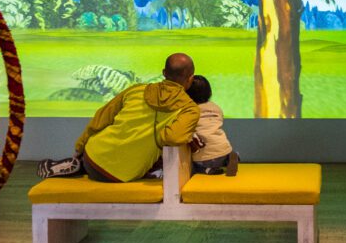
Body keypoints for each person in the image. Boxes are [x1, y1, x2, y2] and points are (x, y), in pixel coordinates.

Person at [37, 52, 200, 182]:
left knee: (95, 153)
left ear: (164, 73)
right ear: (190, 79)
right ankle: (79, 166)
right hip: (124, 174)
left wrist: (80, 148)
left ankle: (78, 164)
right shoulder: (189, 109)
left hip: (92, 156)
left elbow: (101, 118)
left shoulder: (136, 90)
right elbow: (172, 137)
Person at [185, 74, 239, 176]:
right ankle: (229, 159)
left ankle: (208, 169)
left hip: (205, 157)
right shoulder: (216, 107)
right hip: (224, 150)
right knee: (221, 148)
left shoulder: (189, 110)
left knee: (194, 166)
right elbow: (220, 119)